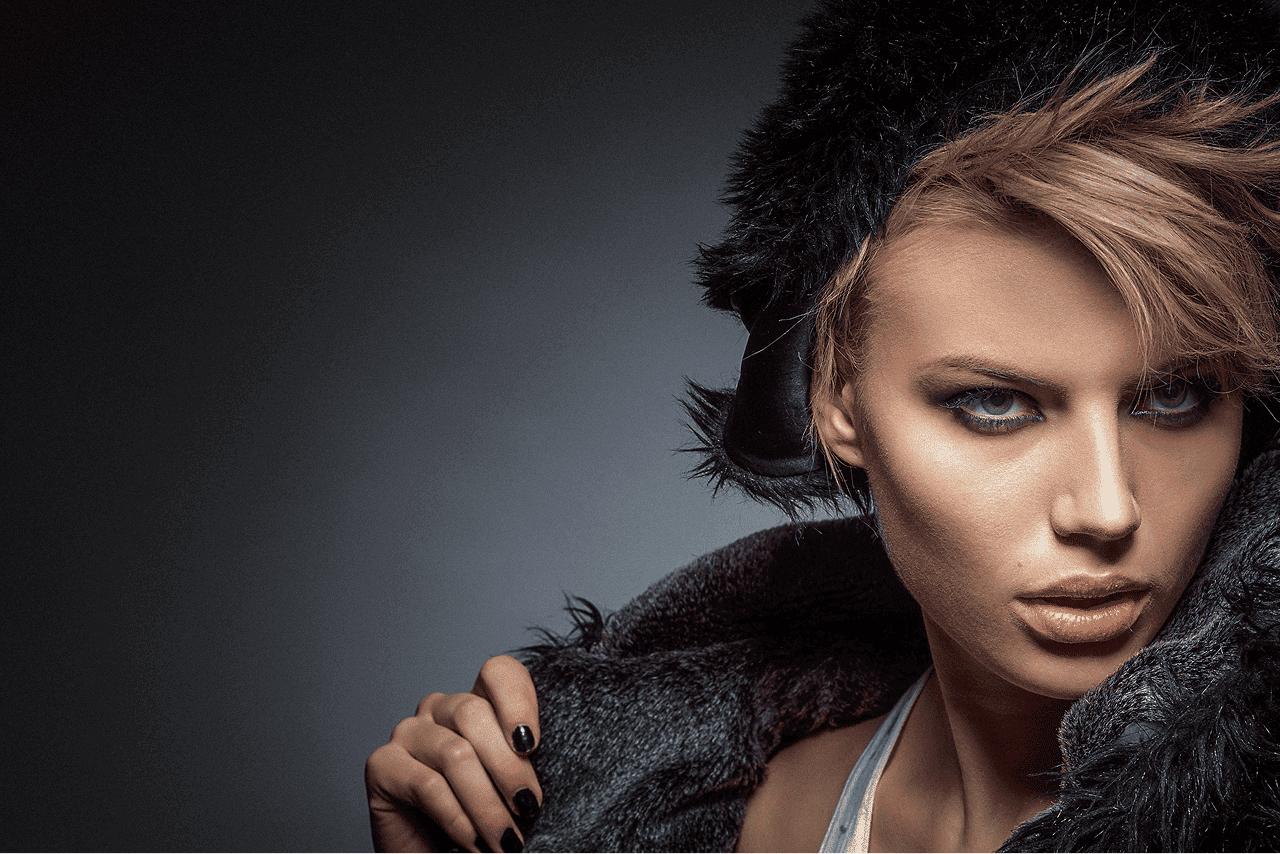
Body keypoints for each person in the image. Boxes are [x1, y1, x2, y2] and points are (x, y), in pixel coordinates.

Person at [366, 0, 1280, 850]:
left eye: (1175, 397)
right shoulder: (728, 809)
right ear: (833, 398)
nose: (1108, 510)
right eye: (995, 404)